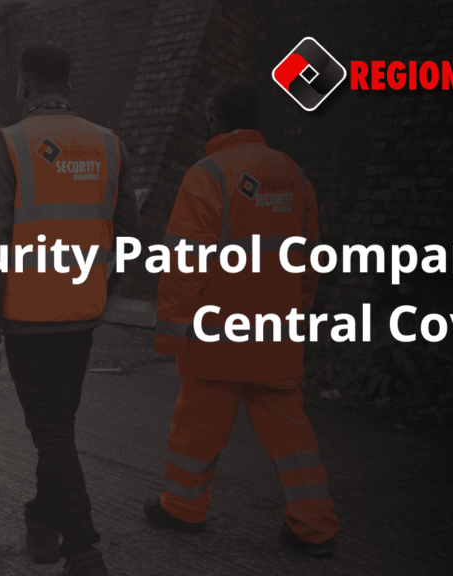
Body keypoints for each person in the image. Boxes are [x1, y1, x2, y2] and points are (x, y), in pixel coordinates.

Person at [144, 77, 340, 556]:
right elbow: (312, 258)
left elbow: (185, 263)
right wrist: (298, 312)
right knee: (291, 434)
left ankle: (183, 508)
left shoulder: (208, 175)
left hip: (217, 336)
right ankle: (314, 526)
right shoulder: (294, 175)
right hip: (276, 334)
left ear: (214, 120)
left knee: (198, 427)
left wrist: (172, 333)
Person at [0, 43, 140, 576]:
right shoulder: (109, 145)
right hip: (81, 315)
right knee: (57, 425)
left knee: (53, 432)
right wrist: (103, 293)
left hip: (29, 319)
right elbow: (130, 237)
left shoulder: (8, 145)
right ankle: (42, 522)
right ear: (67, 84)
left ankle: (83, 547)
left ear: (24, 85)